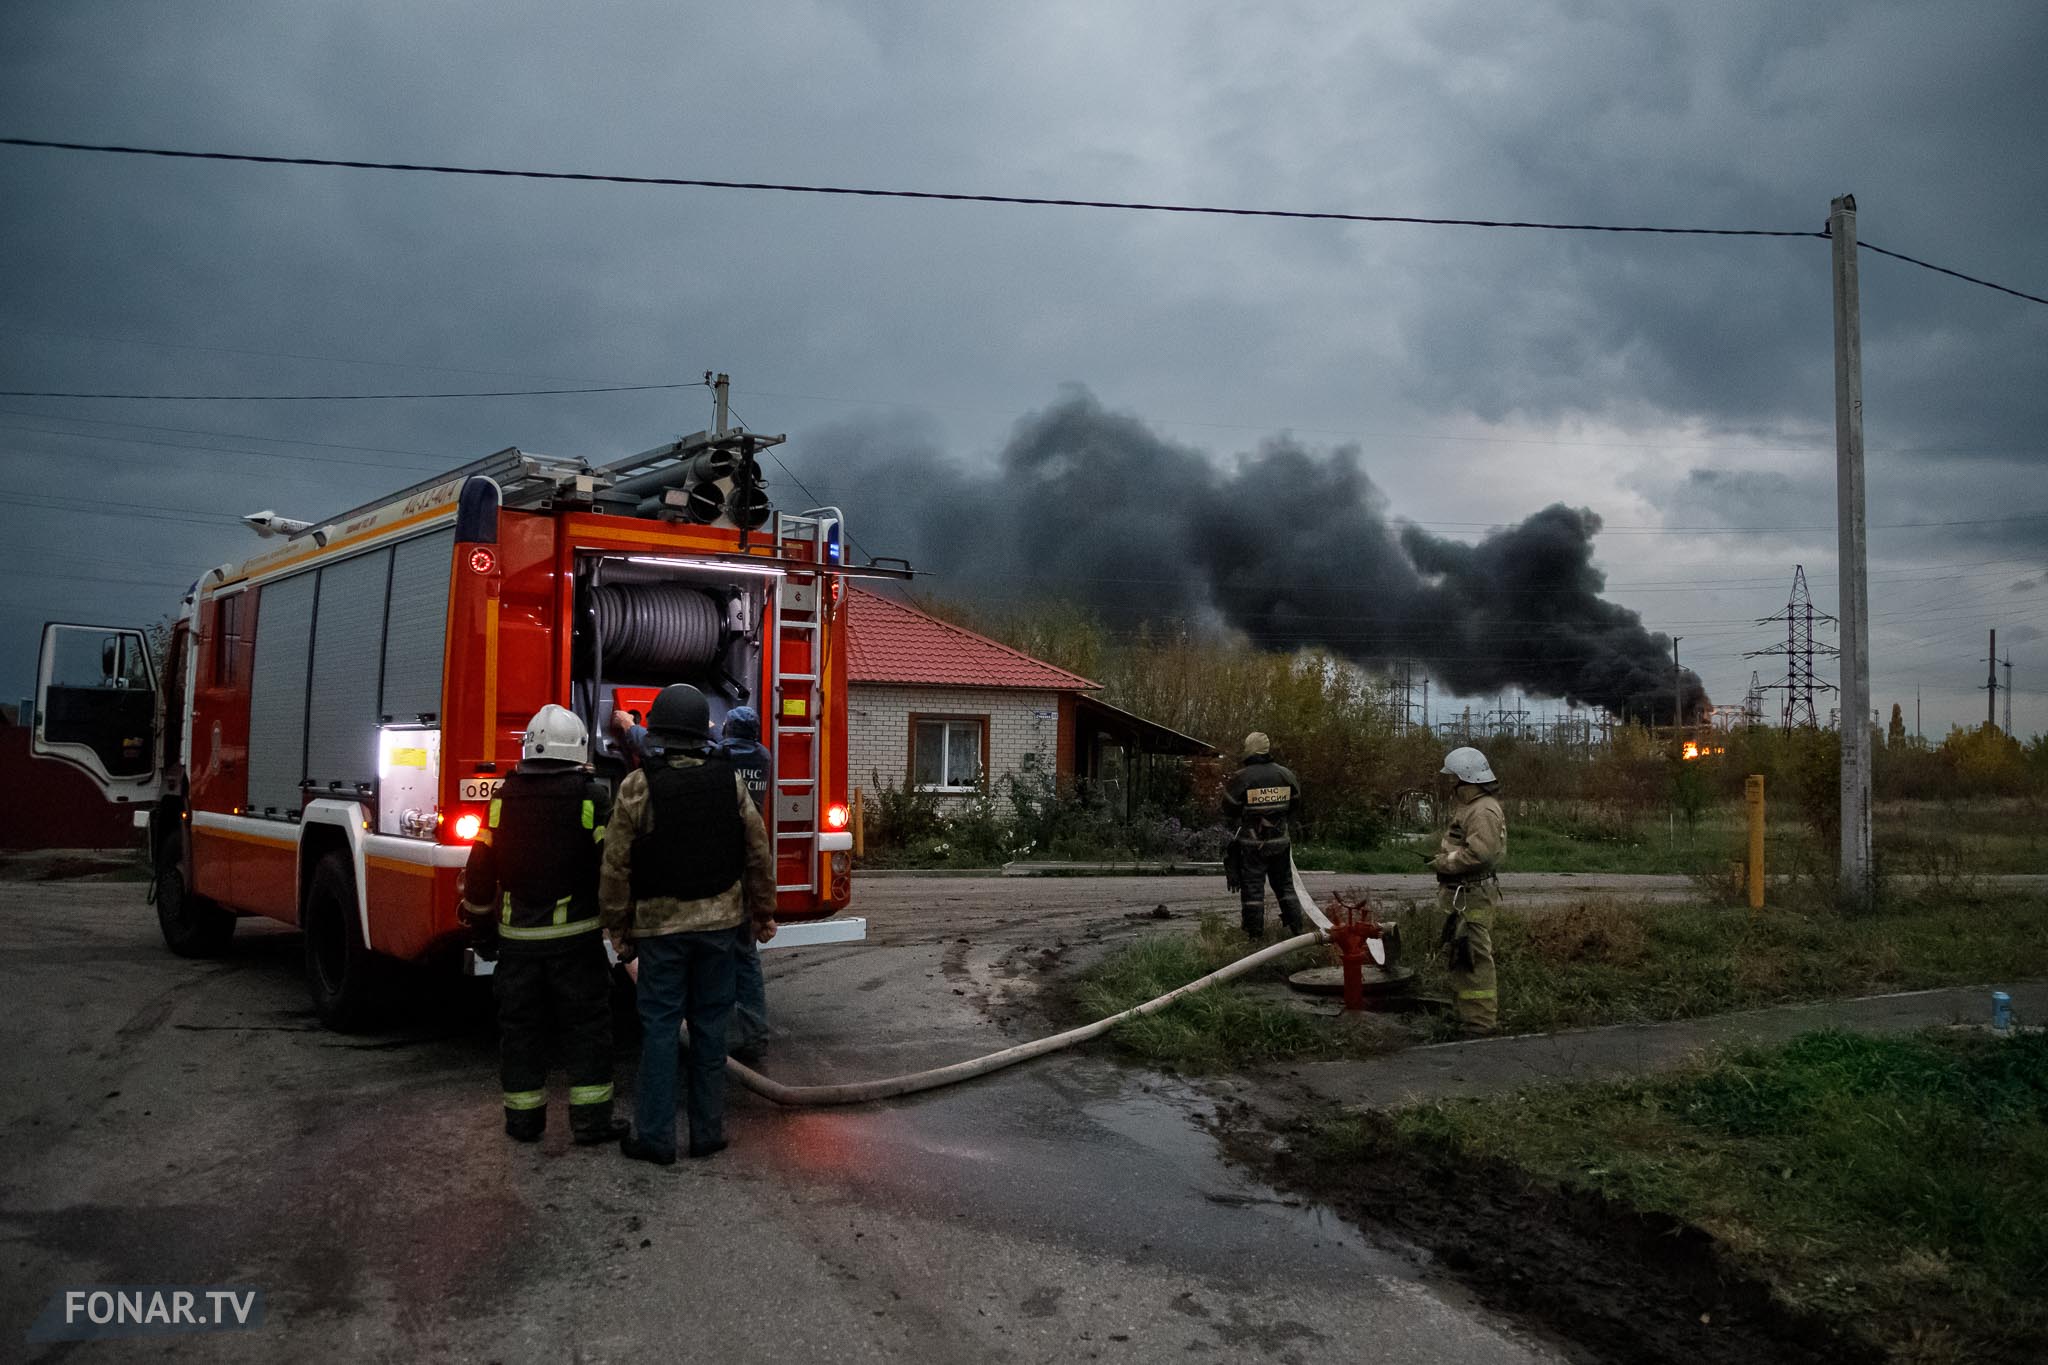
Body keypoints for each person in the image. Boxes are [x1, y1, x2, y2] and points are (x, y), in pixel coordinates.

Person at [601, 684, 777, 1164]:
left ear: (657, 733)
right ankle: (708, 1132)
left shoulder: (639, 786)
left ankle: (655, 1139)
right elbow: (757, 851)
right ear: (703, 733)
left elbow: (615, 865)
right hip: (721, 926)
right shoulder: (728, 781)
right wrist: (762, 912)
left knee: (659, 1029)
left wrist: (618, 929)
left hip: (660, 931)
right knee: (709, 1027)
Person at [458, 704, 624, 1146]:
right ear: (578, 751)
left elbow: (479, 870)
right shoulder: (590, 798)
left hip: (519, 947)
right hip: (576, 944)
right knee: (588, 1029)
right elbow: (611, 865)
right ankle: (590, 1123)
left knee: (521, 1033)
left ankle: (524, 1123)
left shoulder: (503, 799)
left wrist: (482, 932)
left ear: (529, 750)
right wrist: (622, 924)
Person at [1430, 746, 1507, 1035]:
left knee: (1474, 955)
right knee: (1462, 954)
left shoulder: (1482, 810)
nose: (1453, 787)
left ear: (1468, 779)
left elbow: (1480, 855)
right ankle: (1467, 1015)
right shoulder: (1475, 807)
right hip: (1464, 891)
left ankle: (1480, 1023)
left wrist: (1443, 862)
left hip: (1471, 892)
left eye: (1456, 781)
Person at [714, 705, 773, 1063]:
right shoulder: (762, 755)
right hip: (750, 861)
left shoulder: (722, 754)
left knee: (722, 952)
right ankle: (754, 1034)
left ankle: (718, 1036)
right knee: (746, 955)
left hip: (724, 864)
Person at [1221, 731, 1306, 941]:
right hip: (1280, 843)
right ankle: (1297, 929)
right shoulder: (1286, 774)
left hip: (1252, 846)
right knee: (1285, 886)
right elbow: (1296, 803)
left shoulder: (1243, 777)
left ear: (1248, 749)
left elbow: (1229, 807)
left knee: (1253, 890)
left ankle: (1254, 935)